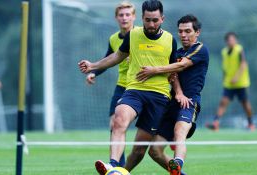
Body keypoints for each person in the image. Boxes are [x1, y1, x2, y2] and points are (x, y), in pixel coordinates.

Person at [78, 0, 182, 174]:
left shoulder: (170, 40)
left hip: (159, 96)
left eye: (155, 20)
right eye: (147, 20)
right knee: (118, 120)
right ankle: (112, 164)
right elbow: (117, 56)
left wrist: (178, 92)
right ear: (141, 18)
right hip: (134, 90)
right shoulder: (133, 35)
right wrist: (93, 66)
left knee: (140, 149)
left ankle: (121, 171)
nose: (151, 24)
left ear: (162, 19)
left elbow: (173, 70)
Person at [135, 14, 209, 175]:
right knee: (154, 151)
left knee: (179, 131)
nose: (183, 35)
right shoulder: (176, 52)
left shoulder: (200, 49)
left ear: (197, 32)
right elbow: (173, 75)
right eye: (180, 31)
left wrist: (154, 70)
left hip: (189, 102)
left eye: (188, 31)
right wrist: (178, 93)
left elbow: (181, 66)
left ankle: (177, 162)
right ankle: (178, 172)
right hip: (172, 102)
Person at [85, 1, 136, 167]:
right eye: (121, 15)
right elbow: (108, 59)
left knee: (150, 135)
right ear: (116, 18)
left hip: (143, 87)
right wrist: (94, 72)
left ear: (134, 17)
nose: (124, 18)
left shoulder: (142, 36)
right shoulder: (114, 39)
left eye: (128, 14)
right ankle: (117, 168)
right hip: (122, 87)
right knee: (115, 125)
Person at [206, 32, 255, 131]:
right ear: (226, 41)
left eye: (233, 39)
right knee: (223, 102)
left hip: (241, 83)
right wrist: (224, 78)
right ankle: (216, 123)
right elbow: (225, 66)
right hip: (229, 83)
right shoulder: (224, 52)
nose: (231, 41)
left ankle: (251, 124)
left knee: (245, 104)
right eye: (229, 40)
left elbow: (243, 64)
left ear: (236, 40)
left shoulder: (239, 49)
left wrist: (237, 77)